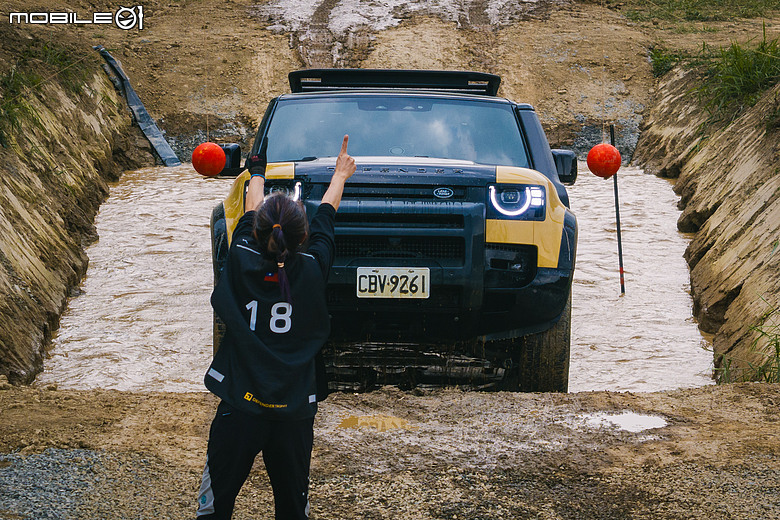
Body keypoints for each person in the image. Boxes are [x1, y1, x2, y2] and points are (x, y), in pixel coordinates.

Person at [196, 135, 356, 519]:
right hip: (294, 413)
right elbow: (326, 217)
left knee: (214, 510)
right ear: (301, 238)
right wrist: (339, 175)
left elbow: (253, 212)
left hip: (240, 406)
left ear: (258, 234)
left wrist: (257, 173)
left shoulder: (241, 256)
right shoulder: (313, 269)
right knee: (290, 511)